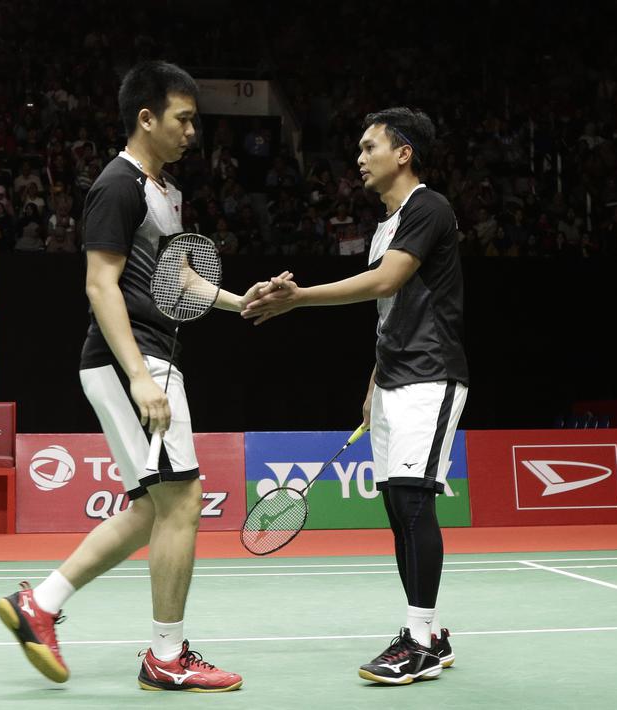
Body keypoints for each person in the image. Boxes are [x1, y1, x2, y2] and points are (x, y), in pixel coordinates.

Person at [0, 61, 258, 693]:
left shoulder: (164, 193)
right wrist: (140, 376)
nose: (192, 132)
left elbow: (177, 280)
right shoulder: (118, 186)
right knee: (184, 500)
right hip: (133, 360)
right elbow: (99, 283)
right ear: (147, 118)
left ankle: (44, 603)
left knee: (154, 508)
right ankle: (166, 655)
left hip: (147, 356)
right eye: (184, 119)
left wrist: (237, 302)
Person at [243, 107, 467, 686]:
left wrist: (300, 298)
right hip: (393, 381)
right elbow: (389, 314)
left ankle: (417, 639)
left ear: (404, 153)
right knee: (397, 508)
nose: (360, 157)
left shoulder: (428, 208)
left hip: (431, 375)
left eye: (370, 147)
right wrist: (372, 384)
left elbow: (386, 282)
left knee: (415, 504)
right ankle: (431, 634)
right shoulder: (386, 225)